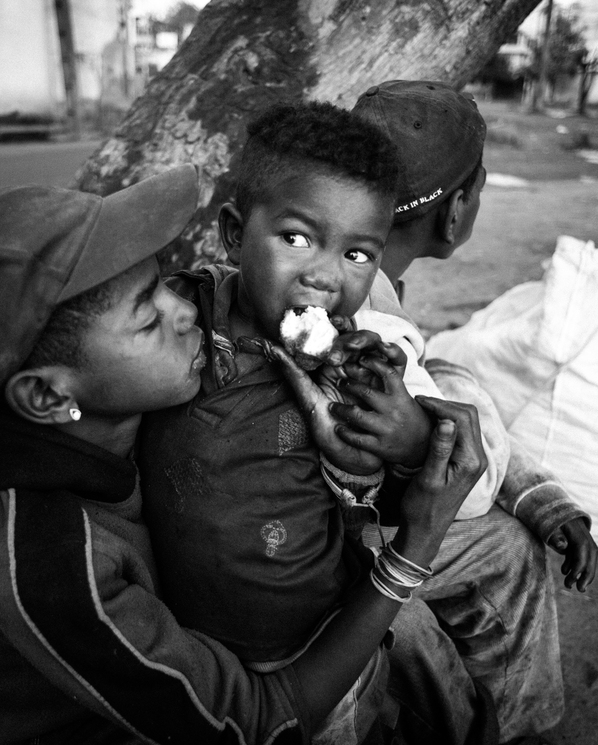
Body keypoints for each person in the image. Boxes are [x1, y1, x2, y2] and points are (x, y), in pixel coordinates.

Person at [0, 165, 492, 745]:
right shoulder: (40, 560)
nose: (184, 310)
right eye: (148, 317)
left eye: (161, 282)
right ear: (46, 394)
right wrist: (414, 548)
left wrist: (395, 441)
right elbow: (261, 727)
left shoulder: (97, 416)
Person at [137, 102, 498, 744]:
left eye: (359, 254)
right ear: (232, 233)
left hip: (324, 649)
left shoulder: (358, 366)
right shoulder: (180, 318)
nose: (327, 275)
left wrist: (388, 448)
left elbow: (373, 499)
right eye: (296, 238)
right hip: (196, 651)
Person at [351, 80, 598, 741]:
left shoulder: (344, 275)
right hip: (337, 552)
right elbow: (466, 483)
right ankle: (520, 726)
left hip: (313, 530)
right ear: (455, 210)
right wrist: (522, 496)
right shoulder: (372, 319)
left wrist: (540, 493)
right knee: (509, 546)